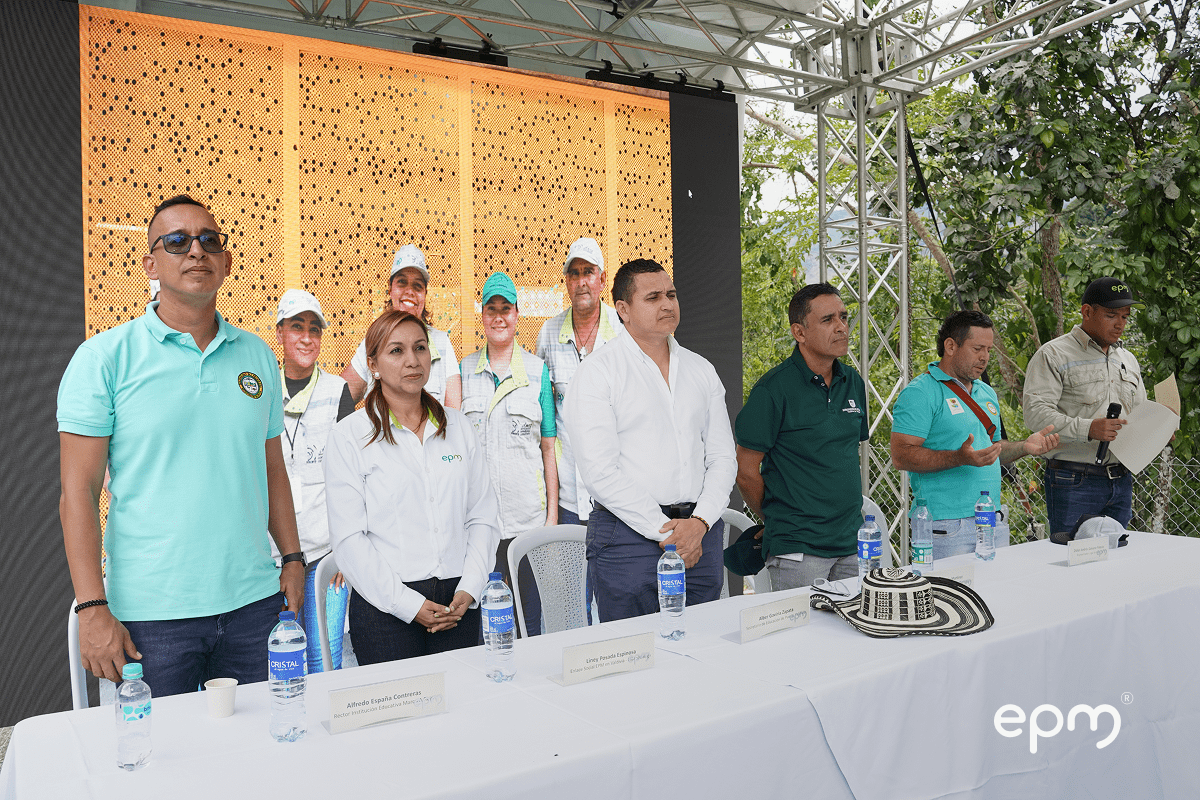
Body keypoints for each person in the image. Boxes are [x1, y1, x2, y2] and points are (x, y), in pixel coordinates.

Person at [57, 194, 304, 697]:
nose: (196, 251)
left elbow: (272, 468)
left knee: (259, 759)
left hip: (254, 605)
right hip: (152, 618)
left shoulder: (256, 355)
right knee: (155, 765)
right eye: (177, 241)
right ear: (150, 262)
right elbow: (77, 492)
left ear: (227, 262)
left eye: (209, 240)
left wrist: (294, 557)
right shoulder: (104, 359)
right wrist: (91, 607)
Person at [324, 310, 500, 663]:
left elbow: (483, 516)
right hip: (386, 609)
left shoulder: (459, 427)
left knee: (462, 709)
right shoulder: (349, 436)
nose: (412, 360)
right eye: (397, 351)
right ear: (372, 363)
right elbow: (348, 540)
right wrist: (410, 605)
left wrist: (471, 587)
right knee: (399, 714)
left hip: (458, 603)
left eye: (420, 348)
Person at [565, 259, 736, 622]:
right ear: (623, 310)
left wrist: (700, 523)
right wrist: (668, 533)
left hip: (700, 534)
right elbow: (599, 471)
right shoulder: (598, 372)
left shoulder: (701, 370)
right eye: (653, 297)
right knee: (634, 658)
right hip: (629, 537)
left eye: (671, 295)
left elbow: (723, 459)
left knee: (704, 657)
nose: (667, 304)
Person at [890, 310, 1059, 558]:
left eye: (989, 350)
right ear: (950, 346)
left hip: (992, 520)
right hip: (945, 526)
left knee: (994, 596)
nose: (984, 357)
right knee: (950, 597)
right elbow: (901, 456)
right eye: (977, 348)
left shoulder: (986, 392)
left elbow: (992, 451)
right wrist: (958, 458)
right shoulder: (921, 392)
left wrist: (1025, 447)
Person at [734, 283, 869, 588]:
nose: (841, 327)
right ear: (799, 332)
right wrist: (778, 519)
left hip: (852, 544)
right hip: (799, 551)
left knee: (857, 634)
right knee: (804, 636)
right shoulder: (773, 390)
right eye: (827, 320)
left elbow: (845, 459)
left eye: (843, 317)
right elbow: (745, 472)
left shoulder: (853, 383)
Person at [461, 272, 557, 634]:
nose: (498, 316)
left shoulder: (537, 371)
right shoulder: (464, 370)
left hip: (526, 521)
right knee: (487, 618)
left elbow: (548, 447)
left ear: (517, 315)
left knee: (528, 618)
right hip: (480, 526)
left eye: (506, 308)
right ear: (482, 316)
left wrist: (550, 517)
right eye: (491, 309)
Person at [274, 289, 357, 671]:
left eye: (314, 329)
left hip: (326, 554)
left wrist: (345, 545)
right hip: (275, 556)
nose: (307, 338)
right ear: (280, 333)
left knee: (325, 658)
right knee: (285, 660)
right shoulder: (262, 391)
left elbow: (350, 474)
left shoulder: (336, 391)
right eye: (297, 327)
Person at [1023, 277, 1146, 534]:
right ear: (1087, 311)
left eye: (1125, 316)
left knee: (1116, 561)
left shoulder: (1128, 360)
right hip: (1073, 480)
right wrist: (1089, 428)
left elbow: (1140, 414)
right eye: (1112, 315)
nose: (1120, 324)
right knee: (1073, 561)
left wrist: (1159, 430)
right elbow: (1036, 415)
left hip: (1121, 480)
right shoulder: (1054, 354)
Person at [535, 237, 623, 526]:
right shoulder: (549, 332)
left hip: (617, 494)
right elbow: (544, 415)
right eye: (575, 273)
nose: (582, 281)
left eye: (589, 272)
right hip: (568, 496)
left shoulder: (625, 331)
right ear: (567, 282)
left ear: (602, 279)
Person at [341, 244, 462, 408]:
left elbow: (454, 416)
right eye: (402, 282)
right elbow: (338, 400)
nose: (409, 291)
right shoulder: (372, 342)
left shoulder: (442, 344)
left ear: (425, 294)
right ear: (390, 290)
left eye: (417, 286)